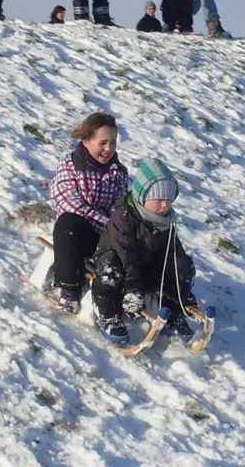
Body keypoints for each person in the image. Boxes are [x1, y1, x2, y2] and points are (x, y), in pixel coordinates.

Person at [91, 157, 198, 345]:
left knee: (179, 266)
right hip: (118, 259)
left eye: (169, 199)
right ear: (142, 197)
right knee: (111, 269)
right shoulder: (125, 216)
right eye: (158, 199)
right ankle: (107, 314)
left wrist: (182, 287)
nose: (165, 205)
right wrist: (132, 286)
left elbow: (173, 254)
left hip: (143, 265)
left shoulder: (165, 222)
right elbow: (124, 251)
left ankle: (173, 311)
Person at [44, 112, 130, 313]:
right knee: (68, 223)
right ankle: (70, 289)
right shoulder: (71, 165)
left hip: (105, 238)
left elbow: (121, 208)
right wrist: (109, 226)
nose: (108, 149)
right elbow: (68, 203)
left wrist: (116, 227)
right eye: (103, 143)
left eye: (113, 143)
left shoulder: (119, 173)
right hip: (78, 235)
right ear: (87, 141)